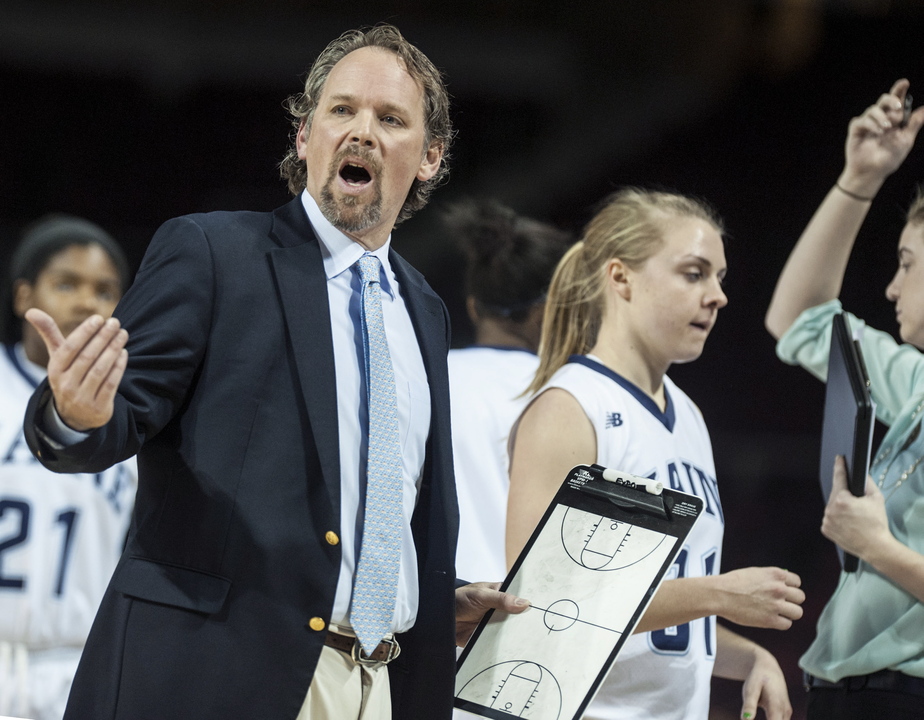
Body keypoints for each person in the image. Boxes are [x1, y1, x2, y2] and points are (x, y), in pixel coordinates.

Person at [20, 25, 525, 720]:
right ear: (303, 136)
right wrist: (74, 413)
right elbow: (115, 419)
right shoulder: (213, 254)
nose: (360, 132)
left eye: (389, 119)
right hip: (216, 675)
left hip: (379, 683)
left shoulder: (425, 310)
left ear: (431, 156)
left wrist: (429, 595)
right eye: (341, 110)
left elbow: (390, 499)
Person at [507, 188, 806, 720]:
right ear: (620, 278)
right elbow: (539, 600)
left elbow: (665, 627)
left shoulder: (687, 414)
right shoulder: (571, 406)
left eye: (719, 277)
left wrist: (748, 655)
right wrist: (716, 594)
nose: (718, 295)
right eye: (694, 273)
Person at [765, 79, 924, 719]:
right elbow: (799, 318)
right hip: (845, 694)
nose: (890, 286)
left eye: (908, 262)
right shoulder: (916, 384)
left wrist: (877, 547)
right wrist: (859, 179)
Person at [0, 215, 136, 720]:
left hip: (77, 666)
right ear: (22, 297)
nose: (86, 302)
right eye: (65, 284)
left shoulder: (134, 417)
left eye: (105, 291)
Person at [445, 199, 573, 586]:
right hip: (538, 624)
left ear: (473, 308)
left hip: (433, 621)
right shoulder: (575, 392)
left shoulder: (421, 374)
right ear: (549, 311)